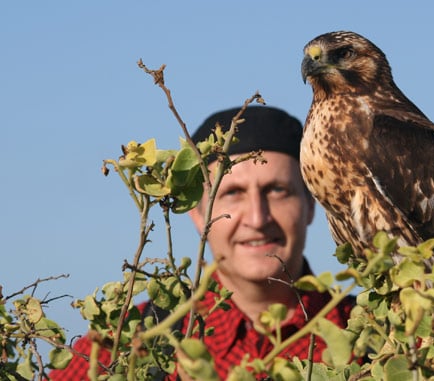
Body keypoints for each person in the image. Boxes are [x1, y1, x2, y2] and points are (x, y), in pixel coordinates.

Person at [48, 106, 355, 380]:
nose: (258, 219)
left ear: (312, 205)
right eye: (232, 193)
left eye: (277, 190)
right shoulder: (129, 342)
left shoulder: (370, 337)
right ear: (197, 213)